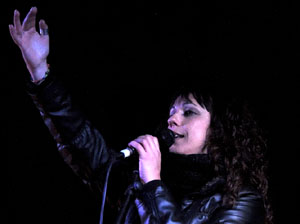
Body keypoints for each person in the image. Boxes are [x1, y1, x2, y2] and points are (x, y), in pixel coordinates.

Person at [9, 7, 273, 224]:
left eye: (188, 112)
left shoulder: (241, 202)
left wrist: (153, 186)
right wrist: (41, 73)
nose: (173, 119)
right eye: (172, 111)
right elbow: (85, 145)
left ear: (220, 129)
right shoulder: (143, 183)